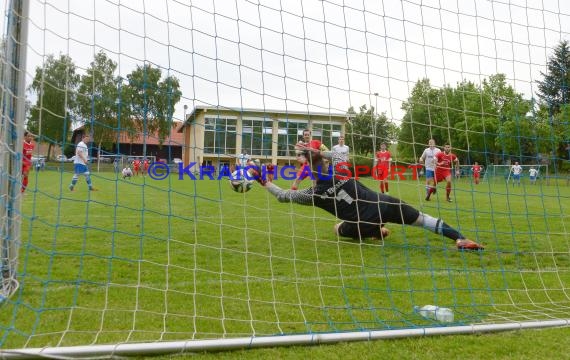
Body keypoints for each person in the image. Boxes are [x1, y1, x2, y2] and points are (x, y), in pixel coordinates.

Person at [248, 145, 483, 251]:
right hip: (386, 203)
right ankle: (460, 239)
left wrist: (263, 181)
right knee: (423, 219)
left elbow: (282, 196)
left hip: (363, 222)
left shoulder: (313, 194)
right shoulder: (341, 169)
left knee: (338, 227)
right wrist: (318, 152)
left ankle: (376, 231)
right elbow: (338, 154)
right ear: (326, 162)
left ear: (310, 171)